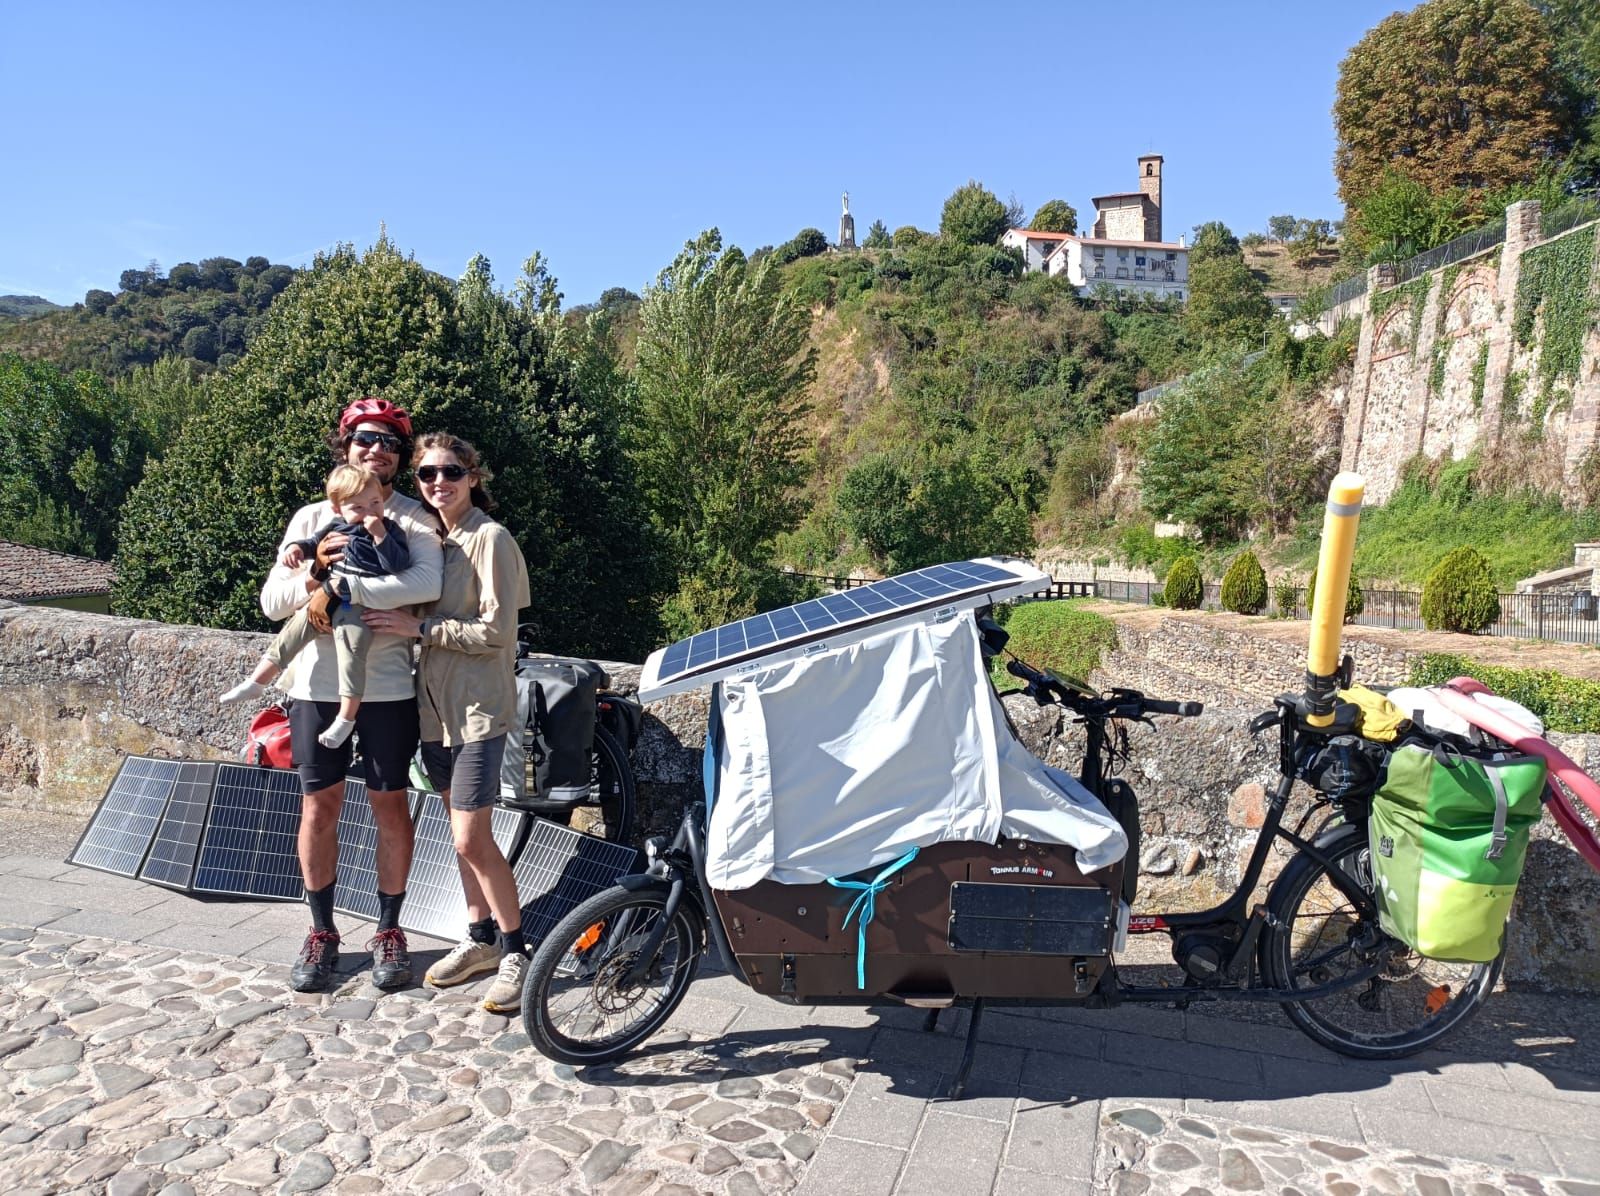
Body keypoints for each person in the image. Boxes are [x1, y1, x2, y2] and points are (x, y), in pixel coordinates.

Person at [259, 398, 442, 993]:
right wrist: (312, 577)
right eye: (366, 438)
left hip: (389, 689)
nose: (376, 449)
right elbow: (271, 602)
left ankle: (389, 930)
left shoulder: (416, 518)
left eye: (389, 442)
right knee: (320, 807)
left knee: (390, 805)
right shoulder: (310, 517)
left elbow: (426, 584)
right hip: (315, 686)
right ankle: (321, 933)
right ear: (347, 445)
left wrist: (338, 587)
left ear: (399, 457)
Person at [362, 432, 532, 1013]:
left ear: (473, 476)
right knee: (460, 842)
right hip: (434, 714)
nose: (439, 482)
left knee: (471, 837)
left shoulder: (490, 538)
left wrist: (422, 631)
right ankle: (479, 940)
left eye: (450, 472)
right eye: (427, 474)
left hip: (479, 712)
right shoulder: (436, 539)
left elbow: (498, 634)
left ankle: (517, 952)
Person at [222, 464, 410, 751]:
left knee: (352, 650)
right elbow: (312, 543)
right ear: (339, 510)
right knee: (293, 631)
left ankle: (346, 718)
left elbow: (398, 565)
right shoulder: (336, 527)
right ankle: (257, 681)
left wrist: (380, 536)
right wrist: (296, 549)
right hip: (327, 596)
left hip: (358, 603)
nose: (369, 513)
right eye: (358, 507)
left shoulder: (390, 530)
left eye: (375, 503)